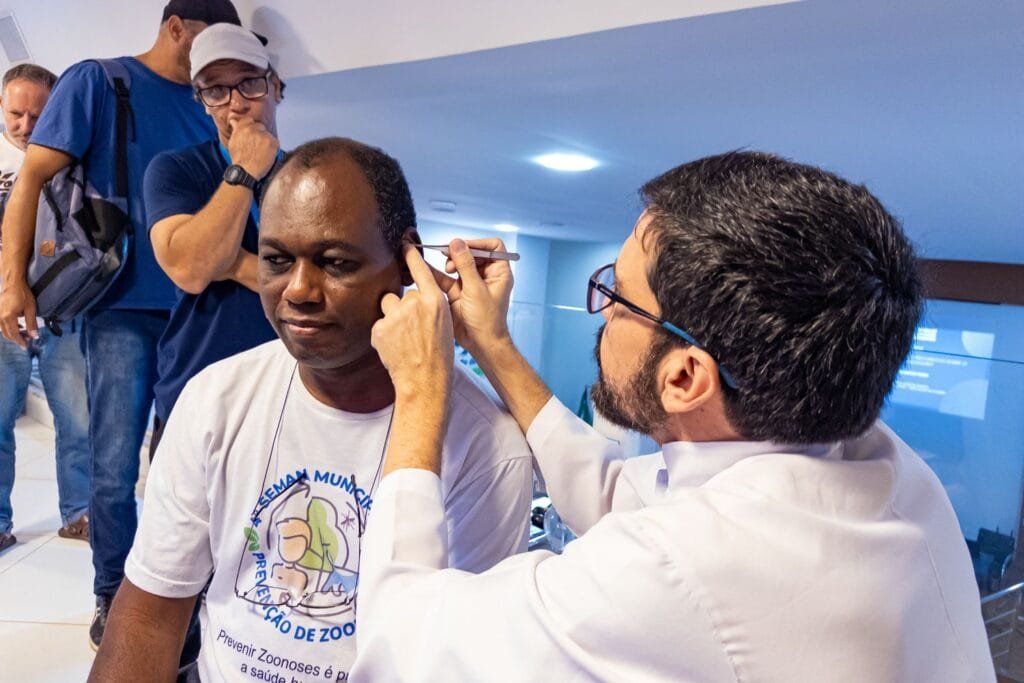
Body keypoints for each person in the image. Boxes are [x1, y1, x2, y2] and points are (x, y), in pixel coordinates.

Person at [355, 151, 995, 681]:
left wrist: (420, 386)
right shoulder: (878, 460)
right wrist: (490, 345)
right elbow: (621, 496)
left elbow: (397, 634)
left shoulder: (680, 575)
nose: (602, 311)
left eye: (617, 293)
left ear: (686, 377)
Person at [88, 137, 534, 682]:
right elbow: (152, 613)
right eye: (276, 260)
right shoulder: (216, 400)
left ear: (407, 261)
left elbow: (457, 660)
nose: (297, 290)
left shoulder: (488, 449)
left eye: (335, 262)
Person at [0, 0, 245, 652]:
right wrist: (12, 280)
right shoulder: (99, 80)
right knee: (111, 466)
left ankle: (177, 593)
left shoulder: (211, 106)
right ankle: (114, 592)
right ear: (175, 28)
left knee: (187, 469)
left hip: (201, 313)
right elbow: (30, 181)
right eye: (209, 41)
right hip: (121, 307)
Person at [144, 23, 285, 454]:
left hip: (283, 401)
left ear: (276, 86)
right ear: (202, 103)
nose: (236, 104)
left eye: (249, 83)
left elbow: (328, 290)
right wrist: (243, 171)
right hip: (194, 398)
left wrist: (230, 263)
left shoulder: (312, 176)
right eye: (216, 90)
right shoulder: (173, 170)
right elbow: (191, 269)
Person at [0, 63, 90, 552]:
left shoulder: (75, 163)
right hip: (1, 316)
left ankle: (79, 513)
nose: (26, 125)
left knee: (77, 420)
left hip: (66, 313)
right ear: (1, 108)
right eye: (16, 113)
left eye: (38, 113)